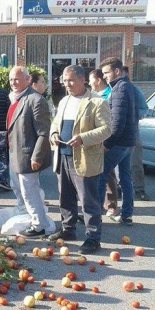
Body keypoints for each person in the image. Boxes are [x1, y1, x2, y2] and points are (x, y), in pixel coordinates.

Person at [47, 65, 111, 254]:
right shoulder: (65, 101)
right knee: (65, 197)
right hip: (63, 156)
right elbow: (55, 123)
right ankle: (68, 230)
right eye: (64, 80)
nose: (67, 84)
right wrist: (54, 134)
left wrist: (83, 138)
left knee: (88, 200)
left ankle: (93, 238)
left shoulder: (97, 102)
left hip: (85, 158)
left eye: (71, 80)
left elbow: (106, 129)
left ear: (83, 80)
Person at [7, 66, 52, 238]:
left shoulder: (35, 100)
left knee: (30, 191)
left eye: (17, 79)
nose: (13, 82)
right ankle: (32, 219)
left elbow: (43, 132)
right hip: (15, 153)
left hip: (28, 155)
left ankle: (39, 225)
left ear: (27, 80)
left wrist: (37, 156)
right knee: (19, 189)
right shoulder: (15, 99)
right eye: (11, 79)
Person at [98, 57, 139, 226]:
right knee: (125, 178)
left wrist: (107, 144)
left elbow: (117, 121)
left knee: (101, 175)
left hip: (119, 142)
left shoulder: (120, 89)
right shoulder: (127, 86)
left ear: (117, 71)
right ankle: (127, 215)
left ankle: (93, 215)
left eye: (107, 72)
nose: (104, 77)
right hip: (129, 141)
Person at [89, 68, 120, 219]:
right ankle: (98, 205)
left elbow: (113, 120)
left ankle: (112, 205)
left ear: (98, 80)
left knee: (107, 173)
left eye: (91, 80)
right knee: (96, 173)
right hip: (94, 139)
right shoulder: (92, 96)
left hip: (107, 139)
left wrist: (108, 141)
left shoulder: (111, 94)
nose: (89, 83)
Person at [123, 65, 151, 202]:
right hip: (113, 133)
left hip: (133, 132)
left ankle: (139, 189)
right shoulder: (110, 90)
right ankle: (115, 190)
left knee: (136, 163)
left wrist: (133, 115)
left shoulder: (135, 91)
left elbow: (145, 109)